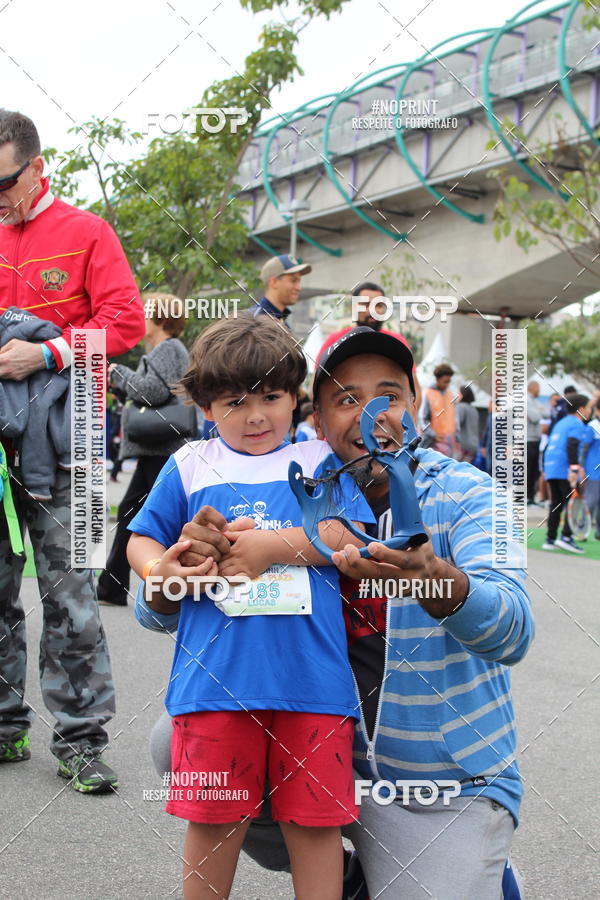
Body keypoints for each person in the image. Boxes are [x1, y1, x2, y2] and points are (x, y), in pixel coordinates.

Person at [147, 327, 532, 900]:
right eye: (347, 399)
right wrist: (180, 568)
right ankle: (356, 874)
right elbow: (155, 609)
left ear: (417, 401)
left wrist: (440, 583)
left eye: (389, 394)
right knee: (172, 740)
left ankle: (456, 871)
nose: (370, 413)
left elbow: (514, 629)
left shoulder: (471, 494)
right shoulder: (277, 478)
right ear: (319, 420)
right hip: (322, 739)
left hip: (436, 782)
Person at [128, 317, 372, 900]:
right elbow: (142, 540)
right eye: (235, 401)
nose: (256, 415)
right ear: (205, 406)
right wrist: (165, 571)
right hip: (214, 685)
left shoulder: (318, 459)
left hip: (312, 686)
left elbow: (350, 538)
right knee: (213, 823)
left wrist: (270, 546)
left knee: (315, 828)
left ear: (295, 398)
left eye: (271, 396)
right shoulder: (190, 464)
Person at [0, 110, 145, 790]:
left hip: (69, 450)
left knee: (72, 593)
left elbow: (125, 322)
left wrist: (49, 350)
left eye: (3, 182)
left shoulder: (87, 232)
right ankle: (5, 725)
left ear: (35, 167)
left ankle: (81, 740)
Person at [96, 295, 189, 607]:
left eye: (145, 313)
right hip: (157, 449)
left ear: (159, 319)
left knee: (155, 515)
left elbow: (151, 391)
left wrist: (117, 374)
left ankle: (120, 584)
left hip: (162, 448)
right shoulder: (167, 349)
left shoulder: (169, 348)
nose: (140, 317)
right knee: (131, 511)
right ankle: (112, 585)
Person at [319, 281, 422, 410]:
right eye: (366, 304)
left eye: (378, 305)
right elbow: (316, 390)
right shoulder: (335, 341)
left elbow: (415, 390)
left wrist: (407, 421)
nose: (372, 311)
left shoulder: (397, 342)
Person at [542, 392, 592, 553]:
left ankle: (550, 539)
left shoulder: (560, 423)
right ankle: (566, 537)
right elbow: (572, 445)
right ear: (581, 409)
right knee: (573, 503)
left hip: (551, 467)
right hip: (565, 469)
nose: (590, 411)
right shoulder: (577, 424)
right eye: (589, 408)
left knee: (555, 503)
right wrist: (574, 469)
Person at [252, 253, 312, 323]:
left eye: (299, 281)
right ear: (274, 282)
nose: (298, 288)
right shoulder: (255, 322)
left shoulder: (278, 319)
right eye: (293, 280)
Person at [420, 362, 457, 457]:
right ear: (437, 379)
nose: (447, 384)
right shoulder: (427, 393)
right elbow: (422, 419)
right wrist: (434, 435)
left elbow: (454, 418)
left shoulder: (450, 394)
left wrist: (457, 437)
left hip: (448, 442)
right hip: (432, 443)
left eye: (449, 381)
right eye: (445, 381)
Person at [582, 399, 600, 539]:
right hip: (593, 472)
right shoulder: (592, 427)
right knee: (591, 501)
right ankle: (581, 530)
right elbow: (583, 449)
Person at [526, 380, 544, 504]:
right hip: (527, 440)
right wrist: (539, 411)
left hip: (535, 440)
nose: (540, 391)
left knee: (534, 470)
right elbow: (535, 417)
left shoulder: (534, 402)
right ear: (532, 388)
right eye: (538, 388)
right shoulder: (526, 400)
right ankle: (523, 497)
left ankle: (530, 497)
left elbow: (546, 413)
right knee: (526, 469)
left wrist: (538, 411)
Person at [455, 384, 479, 462]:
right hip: (473, 447)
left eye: (458, 393)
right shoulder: (474, 409)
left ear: (462, 395)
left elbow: (456, 426)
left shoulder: (460, 407)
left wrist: (456, 440)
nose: (457, 395)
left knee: (454, 470)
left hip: (462, 446)